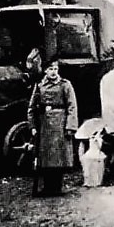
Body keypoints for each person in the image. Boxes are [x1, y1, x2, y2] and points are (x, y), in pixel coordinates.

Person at [27, 59, 78, 196]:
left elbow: (72, 107)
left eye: (55, 69)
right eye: (50, 69)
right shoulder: (39, 86)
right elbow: (31, 108)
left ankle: (57, 187)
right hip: (44, 126)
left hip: (60, 124)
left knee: (59, 157)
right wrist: (32, 126)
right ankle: (47, 187)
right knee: (46, 157)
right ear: (45, 71)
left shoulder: (65, 85)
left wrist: (70, 127)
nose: (53, 72)